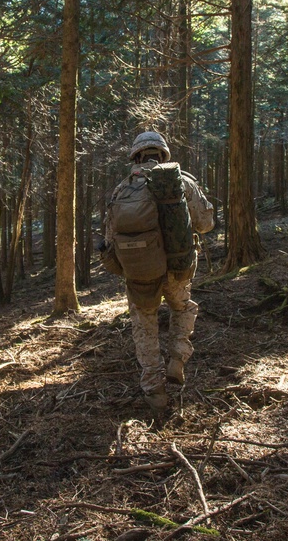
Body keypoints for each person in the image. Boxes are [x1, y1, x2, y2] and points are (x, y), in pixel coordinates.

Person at [103, 131, 215, 413]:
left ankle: (155, 392)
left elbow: (110, 236)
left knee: (145, 325)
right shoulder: (183, 182)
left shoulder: (122, 189)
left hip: (141, 271)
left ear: (136, 156)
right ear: (163, 154)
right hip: (179, 267)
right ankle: (177, 358)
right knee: (182, 308)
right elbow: (205, 224)